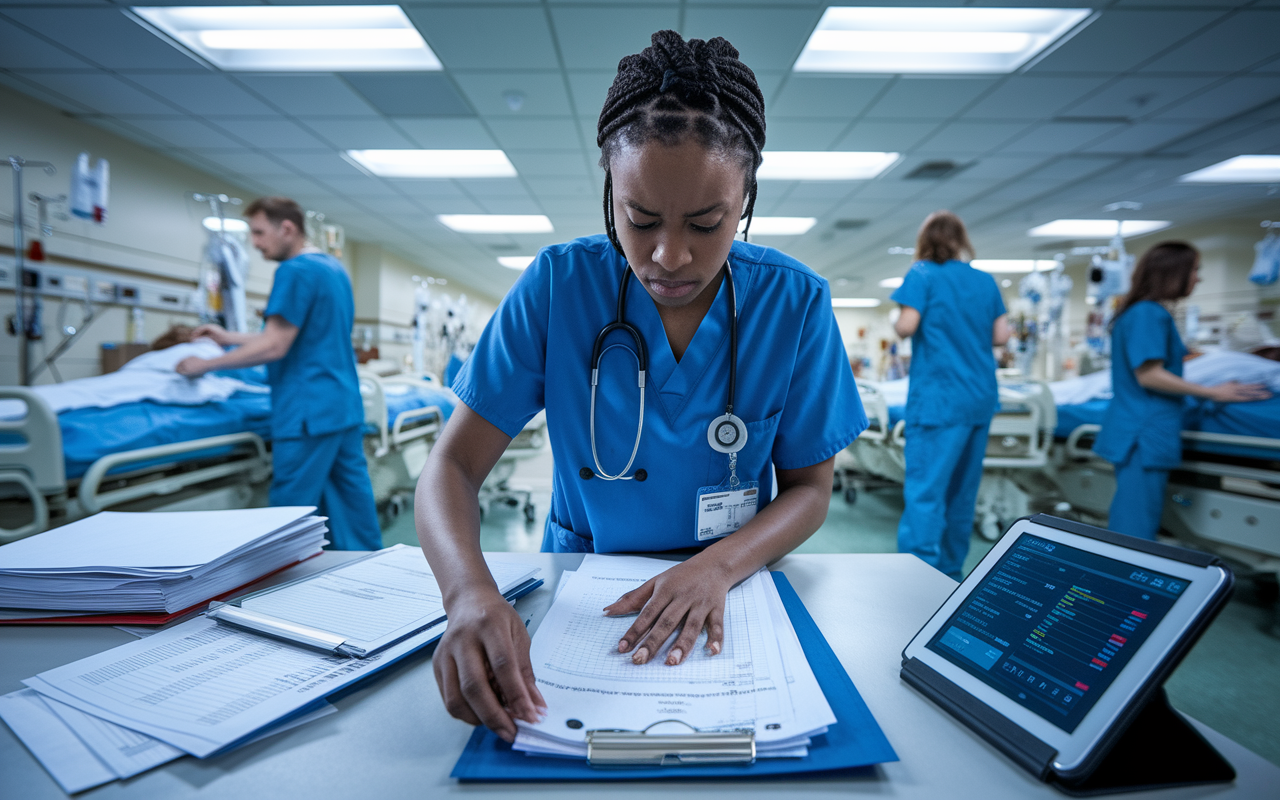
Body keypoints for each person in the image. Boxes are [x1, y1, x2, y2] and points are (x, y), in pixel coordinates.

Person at [416, 31, 865, 743]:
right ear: (609, 194)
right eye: (641, 220)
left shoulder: (795, 303)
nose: (669, 256)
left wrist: (717, 567)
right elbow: (453, 465)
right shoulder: (560, 287)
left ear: (746, 198)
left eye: (707, 223)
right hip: (585, 588)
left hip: (736, 585)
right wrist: (468, 592)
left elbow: (810, 490)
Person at [174, 196, 380, 551]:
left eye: (258, 232)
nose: (254, 243)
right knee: (352, 506)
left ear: (287, 228)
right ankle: (373, 576)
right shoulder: (332, 269)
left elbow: (275, 345)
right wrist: (229, 337)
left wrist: (205, 364)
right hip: (341, 405)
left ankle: (279, 593)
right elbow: (301, 336)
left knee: (289, 512)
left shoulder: (294, 271)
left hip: (307, 411)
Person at [1094, 242, 1270, 540]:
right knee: (1134, 529)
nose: (1198, 278)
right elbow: (1149, 375)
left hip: (1140, 427)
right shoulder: (1148, 314)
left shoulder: (1143, 313)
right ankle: (1125, 584)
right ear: (1173, 273)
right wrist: (1213, 392)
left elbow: (1165, 361)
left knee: (1136, 520)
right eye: (1195, 270)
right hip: (1143, 431)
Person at [891, 211, 1010, 581]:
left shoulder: (922, 274)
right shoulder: (984, 281)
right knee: (962, 494)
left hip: (939, 400)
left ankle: (918, 576)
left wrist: (899, 323)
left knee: (927, 492)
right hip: (978, 399)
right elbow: (1002, 337)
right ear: (961, 241)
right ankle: (951, 575)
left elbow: (906, 327)